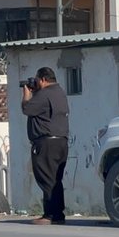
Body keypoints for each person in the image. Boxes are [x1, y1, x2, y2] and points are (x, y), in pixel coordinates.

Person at [21, 66, 71, 226]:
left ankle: (50, 215)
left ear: (43, 79)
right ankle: (58, 215)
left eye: (36, 80)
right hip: (61, 141)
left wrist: (27, 94)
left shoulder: (44, 94)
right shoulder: (60, 93)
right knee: (56, 180)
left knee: (46, 179)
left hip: (46, 143)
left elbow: (27, 109)